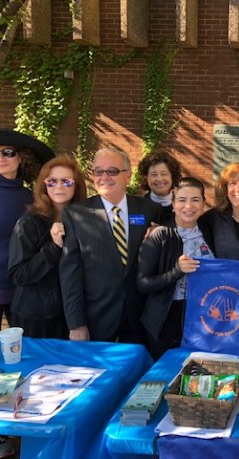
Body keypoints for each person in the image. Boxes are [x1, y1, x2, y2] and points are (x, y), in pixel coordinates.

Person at [0, 129, 54, 459]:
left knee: (24, 357)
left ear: (22, 158)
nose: (0, 158)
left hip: (24, 288)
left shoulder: (31, 198)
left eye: (8, 152)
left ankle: (25, 420)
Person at [60, 147, 162, 344]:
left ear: (128, 175)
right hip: (96, 318)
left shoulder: (150, 210)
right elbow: (70, 275)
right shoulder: (75, 215)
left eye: (112, 171)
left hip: (141, 319)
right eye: (98, 171)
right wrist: (76, 324)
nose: (104, 177)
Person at [8, 155, 87, 339]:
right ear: (44, 186)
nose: (59, 187)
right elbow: (18, 274)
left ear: (76, 185)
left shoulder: (84, 220)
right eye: (52, 181)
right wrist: (53, 248)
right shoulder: (29, 222)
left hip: (71, 315)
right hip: (36, 317)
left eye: (66, 181)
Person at [137, 178, 213, 359]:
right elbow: (143, 284)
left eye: (195, 200)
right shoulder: (159, 234)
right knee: (168, 377)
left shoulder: (208, 230)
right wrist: (176, 271)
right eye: (182, 200)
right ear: (173, 204)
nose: (189, 206)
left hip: (203, 317)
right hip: (167, 319)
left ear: (203, 204)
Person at [137, 150, 182, 223]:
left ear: (172, 176)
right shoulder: (138, 208)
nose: (159, 179)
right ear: (146, 178)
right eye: (154, 174)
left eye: (164, 174)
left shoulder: (183, 207)